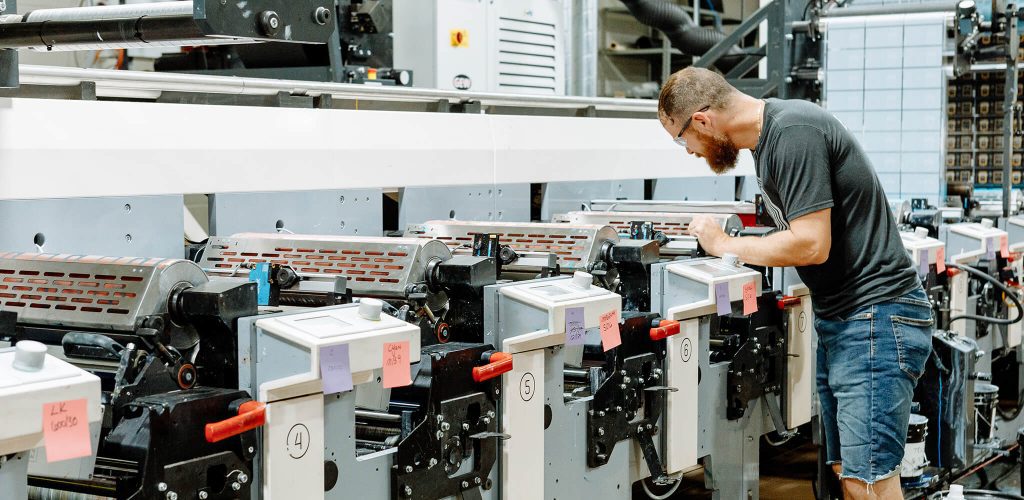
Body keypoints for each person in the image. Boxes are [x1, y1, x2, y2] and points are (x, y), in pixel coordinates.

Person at [658, 67, 933, 499]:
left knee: (870, 482)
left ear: (702, 120)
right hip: (847, 319)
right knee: (850, 474)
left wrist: (724, 244)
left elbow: (810, 244)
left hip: (875, 318)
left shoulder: (792, 133)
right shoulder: (769, 142)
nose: (689, 151)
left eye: (682, 139)